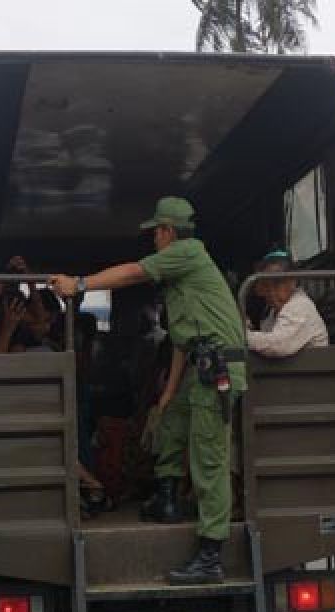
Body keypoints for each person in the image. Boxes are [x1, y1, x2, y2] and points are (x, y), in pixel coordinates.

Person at [49, 196, 246, 585]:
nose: (154, 240)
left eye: (156, 232)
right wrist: (168, 393)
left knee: (209, 460)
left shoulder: (187, 253)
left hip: (217, 366)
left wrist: (80, 284)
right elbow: (181, 341)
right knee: (168, 422)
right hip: (199, 363)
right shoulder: (180, 279)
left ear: (167, 232)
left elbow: (132, 274)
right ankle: (167, 499)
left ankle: (211, 555)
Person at [246, 250, 329, 357]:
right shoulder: (272, 311)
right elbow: (267, 339)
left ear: (292, 281)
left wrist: (241, 335)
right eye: (266, 285)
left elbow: (278, 345)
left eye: (277, 284)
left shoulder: (299, 306)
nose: (271, 292)